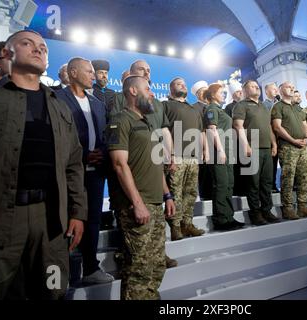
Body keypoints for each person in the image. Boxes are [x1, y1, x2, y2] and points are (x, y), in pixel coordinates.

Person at [0, 30, 86, 299]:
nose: (38, 49)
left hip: (51, 222)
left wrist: (78, 213)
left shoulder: (60, 107)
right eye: (27, 43)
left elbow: (73, 165)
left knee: (53, 289)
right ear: (7, 53)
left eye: (43, 47)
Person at [107, 75, 174, 299]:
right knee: (139, 270)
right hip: (137, 205)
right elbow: (118, 164)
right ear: (133, 91)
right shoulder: (120, 120)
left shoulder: (148, 123)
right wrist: (137, 203)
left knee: (156, 267)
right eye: (147, 89)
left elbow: (156, 165)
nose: (152, 93)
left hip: (156, 203)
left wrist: (167, 195)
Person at [56, 57, 114, 285]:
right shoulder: (56, 99)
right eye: (89, 71)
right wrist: (81, 156)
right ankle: (61, 272)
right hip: (67, 173)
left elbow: (104, 136)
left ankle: (90, 268)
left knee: (92, 220)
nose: (93, 75)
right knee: (65, 219)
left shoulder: (98, 104)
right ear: (72, 72)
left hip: (96, 173)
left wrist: (101, 153)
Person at [163, 77, 206, 239]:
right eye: (178, 83)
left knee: (191, 192)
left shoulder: (193, 109)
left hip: (193, 157)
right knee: (176, 192)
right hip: (177, 157)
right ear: (170, 88)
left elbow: (201, 132)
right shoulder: (165, 105)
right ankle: (175, 227)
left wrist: (203, 151)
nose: (183, 85)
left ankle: (187, 224)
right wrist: (170, 155)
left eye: (184, 83)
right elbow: (163, 131)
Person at [233, 80, 279, 225]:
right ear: (245, 90)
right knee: (253, 183)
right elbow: (238, 126)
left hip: (266, 148)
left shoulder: (264, 107)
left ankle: (267, 211)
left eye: (256, 86)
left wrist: (274, 143)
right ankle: (255, 214)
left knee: (266, 182)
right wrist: (245, 145)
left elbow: (269, 127)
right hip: (252, 148)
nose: (256, 88)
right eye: (252, 86)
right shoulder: (241, 105)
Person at [271, 81, 307, 220]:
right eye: (288, 87)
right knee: (288, 179)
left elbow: (305, 125)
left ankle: (303, 206)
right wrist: (293, 140)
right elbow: (277, 127)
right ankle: (288, 208)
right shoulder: (278, 107)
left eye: (293, 87)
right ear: (280, 90)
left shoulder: (297, 108)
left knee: (304, 177)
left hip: (303, 146)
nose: (292, 88)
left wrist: (306, 138)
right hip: (288, 147)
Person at [204, 83, 244, 231]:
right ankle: (221, 219)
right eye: (221, 92)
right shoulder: (211, 109)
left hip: (227, 152)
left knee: (229, 184)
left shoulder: (219, 109)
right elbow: (212, 130)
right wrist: (220, 150)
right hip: (218, 152)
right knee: (221, 185)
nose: (224, 95)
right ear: (213, 94)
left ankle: (229, 217)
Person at [192, 80, 212, 201]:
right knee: (205, 173)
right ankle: (205, 196)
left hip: (216, 144)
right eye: (204, 92)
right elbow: (199, 129)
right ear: (198, 94)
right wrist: (205, 149)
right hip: (202, 145)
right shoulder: (194, 108)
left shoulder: (212, 106)